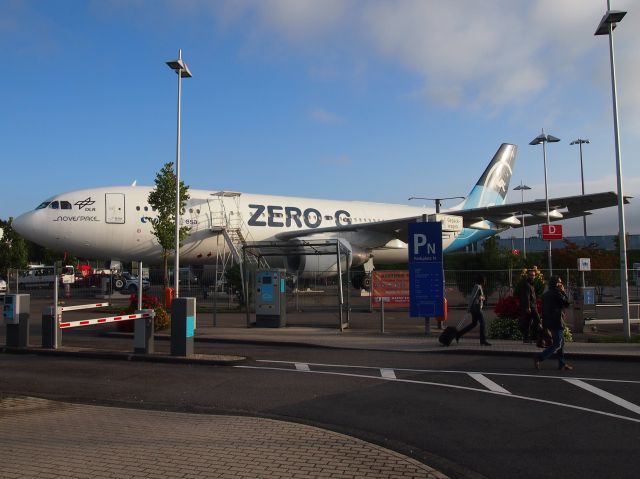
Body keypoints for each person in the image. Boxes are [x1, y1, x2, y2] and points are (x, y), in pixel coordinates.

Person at [535, 276, 573, 371]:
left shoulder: (546, 294)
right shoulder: (557, 293)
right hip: (556, 321)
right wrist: (563, 291)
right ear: (556, 284)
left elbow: (543, 310)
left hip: (549, 321)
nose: (561, 284)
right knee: (558, 344)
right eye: (559, 282)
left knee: (561, 343)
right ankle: (540, 357)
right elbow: (567, 303)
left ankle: (562, 364)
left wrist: (543, 322)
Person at [457, 274, 491, 346]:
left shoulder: (479, 287)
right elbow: (472, 297)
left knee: (473, 324)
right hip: (476, 308)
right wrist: (469, 308)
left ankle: (458, 334)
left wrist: (482, 298)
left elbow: (478, 297)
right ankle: (483, 340)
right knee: (483, 324)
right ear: (482, 281)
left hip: (476, 308)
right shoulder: (477, 287)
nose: (485, 281)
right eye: (484, 280)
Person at [519, 270, 541, 343]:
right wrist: (528, 307)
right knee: (537, 320)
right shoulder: (527, 285)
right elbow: (526, 297)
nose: (532, 276)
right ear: (528, 276)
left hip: (532, 305)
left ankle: (527, 338)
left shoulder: (531, 284)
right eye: (531, 275)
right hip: (531, 306)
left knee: (528, 322)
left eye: (534, 275)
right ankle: (533, 337)